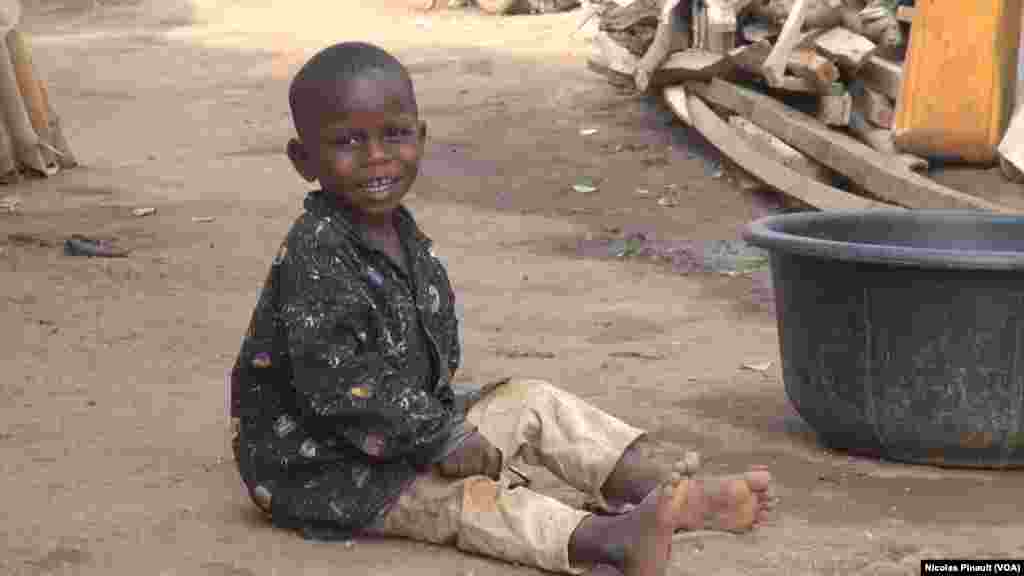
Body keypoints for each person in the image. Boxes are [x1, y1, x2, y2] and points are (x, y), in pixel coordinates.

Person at [228, 41, 774, 576]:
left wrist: (450, 425)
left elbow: (428, 357)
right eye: (348, 142)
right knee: (470, 500)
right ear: (305, 160)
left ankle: (669, 495)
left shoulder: (401, 233)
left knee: (531, 401)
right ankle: (604, 540)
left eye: (394, 135)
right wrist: (442, 437)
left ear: (420, 137)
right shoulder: (317, 253)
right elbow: (339, 383)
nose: (376, 157)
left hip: (406, 429)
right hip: (328, 469)